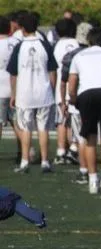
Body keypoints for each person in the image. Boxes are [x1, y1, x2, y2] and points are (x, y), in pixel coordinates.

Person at [68, 27, 101, 194]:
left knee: (89, 137)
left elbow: (72, 83)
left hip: (87, 94)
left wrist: (74, 100)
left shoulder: (79, 56)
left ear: (89, 40)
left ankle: (92, 180)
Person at [7, 11, 57, 174]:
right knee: (43, 128)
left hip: (24, 94)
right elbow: (52, 71)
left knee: (26, 128)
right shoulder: (44, 44)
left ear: (22, 28)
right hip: (43, 93)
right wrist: (52, 89)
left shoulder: (20, 46)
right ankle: (44, 162)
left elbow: (13, 74)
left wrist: (13, 94)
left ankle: (24, 162)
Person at [60, 22, 91, 184]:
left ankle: (84, 170)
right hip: (94, 101)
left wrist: (65, 100)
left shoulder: (72, 55)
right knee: (95, 138)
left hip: (78, 101)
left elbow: (64, 81)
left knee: (81, 138)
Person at [51, 18, 78, 165]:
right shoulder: (77, 44)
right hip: (75, 87)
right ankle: (73, 148)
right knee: (73, 121)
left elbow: (53, 68)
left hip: (61, 87)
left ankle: (61, 151)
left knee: (61, 121)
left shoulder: (57, 46)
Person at [0, 16, 20, 161]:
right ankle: (23, 152)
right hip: (16, 87)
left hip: (0, 88)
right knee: (17, 122)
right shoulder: (17, 42)